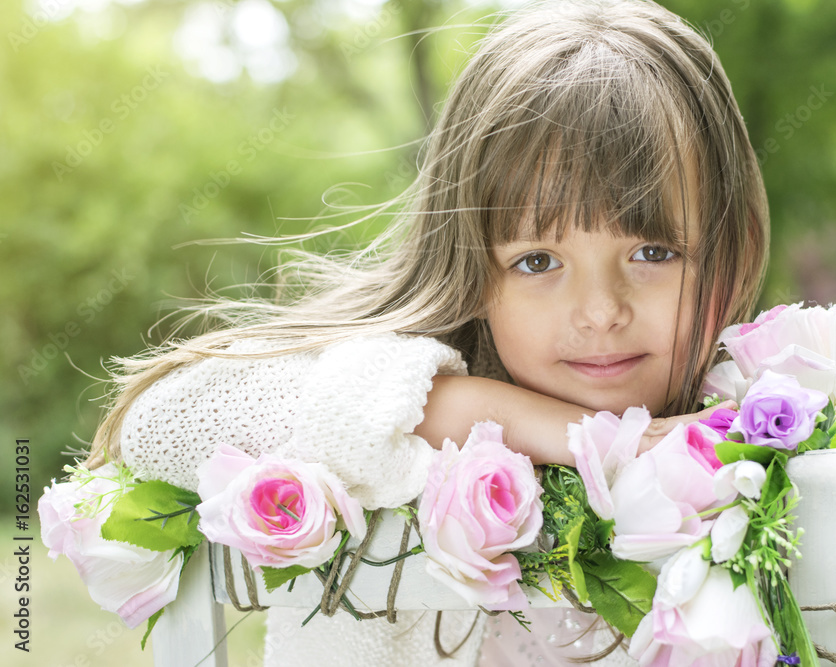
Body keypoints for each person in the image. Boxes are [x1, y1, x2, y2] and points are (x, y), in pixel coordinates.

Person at [82, 0, 768, 664]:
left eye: (653, 252)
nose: (599, 310)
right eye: (537, 260)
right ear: (469, 266)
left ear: (730, 246)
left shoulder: (772, 430)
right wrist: (501, 416)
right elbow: (159, 425)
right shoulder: (405, 393)